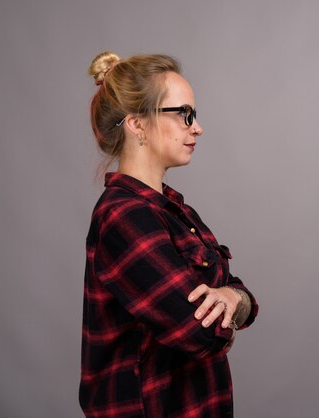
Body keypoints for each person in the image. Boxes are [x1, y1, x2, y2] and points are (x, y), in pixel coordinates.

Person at [80, 52, 258, 418]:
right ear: (137, 124)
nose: (197, 127)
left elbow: (241, 295)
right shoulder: (123, 216)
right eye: (184, 114)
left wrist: (231, 299)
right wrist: (232, 304)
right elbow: (200, 332)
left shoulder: (173, 210)